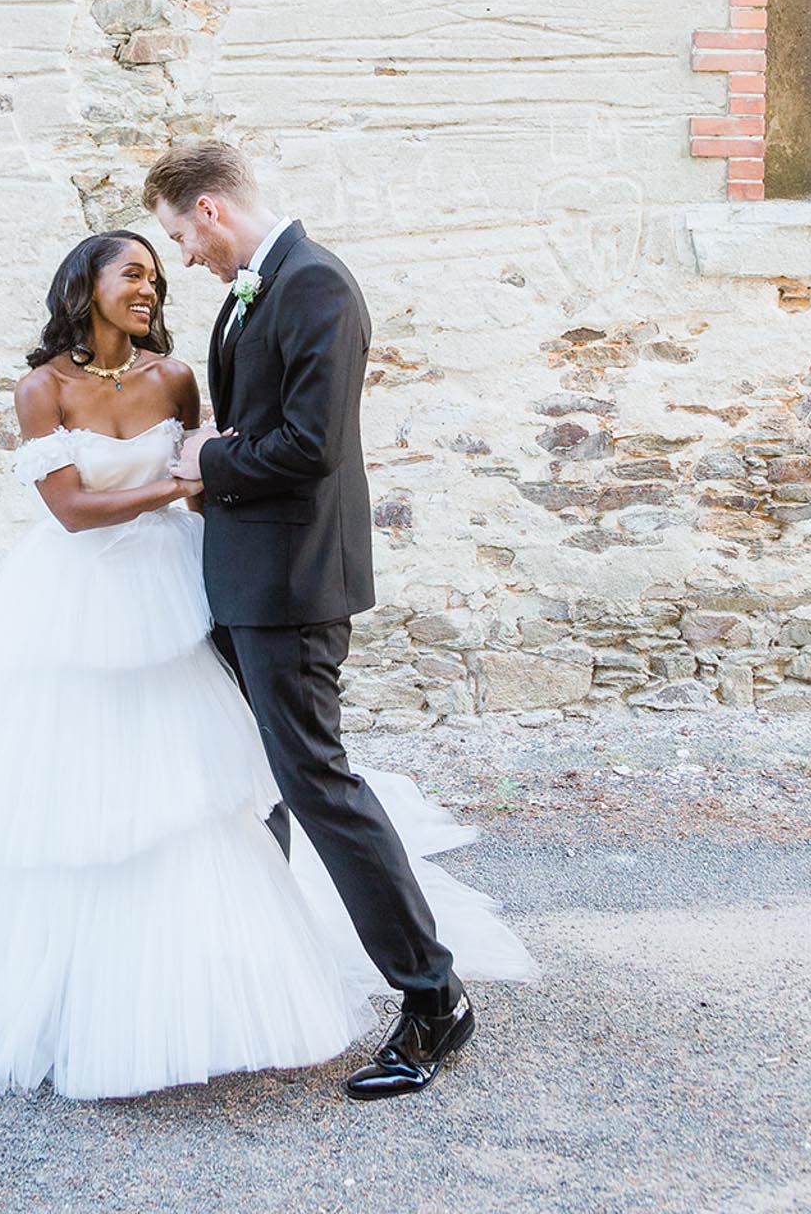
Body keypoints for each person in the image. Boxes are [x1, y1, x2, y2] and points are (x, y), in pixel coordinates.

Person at [0, 229, 536, 1101]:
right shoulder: (41, 390)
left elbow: (240, 450)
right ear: (87, 285)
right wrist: (182, 486)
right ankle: (73, 987)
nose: (151, 286)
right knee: (78, 792)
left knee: (221, 780)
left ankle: (249, 957)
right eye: (134, 273)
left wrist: (204, 482)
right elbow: (72, 508)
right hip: (81, 598)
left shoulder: (175, 377)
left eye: (158, 271)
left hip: (187, 590)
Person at [147, 141, 484, 1098]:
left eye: (180, 236)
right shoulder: (258, 287)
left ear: (210, 209)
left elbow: (310, 446)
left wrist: (205, 464)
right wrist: (219, 456)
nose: (183, 257)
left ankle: (433, 999)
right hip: (245, 577)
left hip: (292, 585)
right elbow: (259, 425)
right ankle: (275, 974)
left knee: (316, 781)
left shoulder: (316, 284)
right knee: (258, 781)